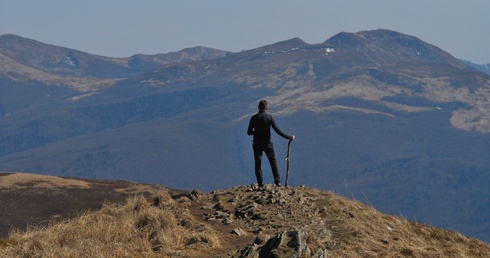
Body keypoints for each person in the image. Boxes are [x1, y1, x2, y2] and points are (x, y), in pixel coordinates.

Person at [247, 100, 295, 187]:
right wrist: (288, 137)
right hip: (267, 143)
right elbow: (277, 130)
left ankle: (260, 184)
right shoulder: (269, 117)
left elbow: (249, 132)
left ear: (258, 107)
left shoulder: (254, 118)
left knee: (258, 163)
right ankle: (278, 182)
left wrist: (257, 132)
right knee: (273, 161)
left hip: (257, 143)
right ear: (267, 108)